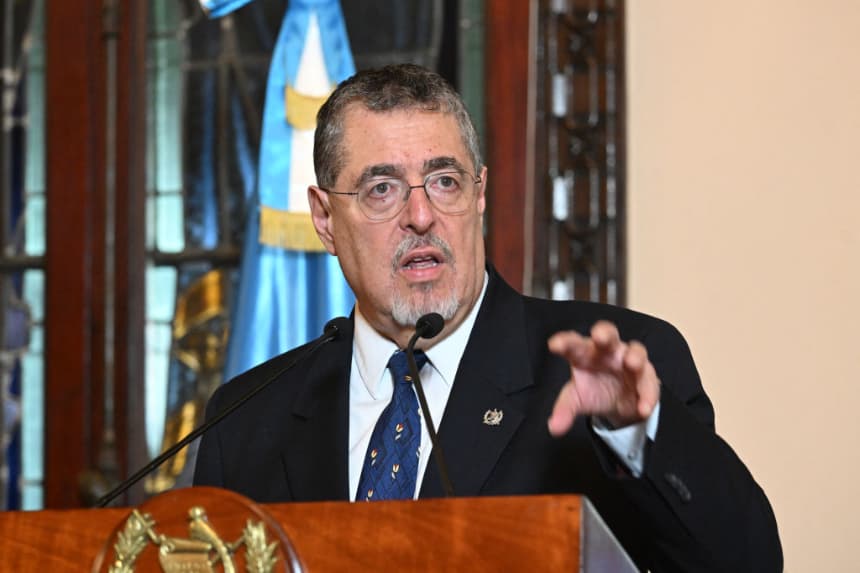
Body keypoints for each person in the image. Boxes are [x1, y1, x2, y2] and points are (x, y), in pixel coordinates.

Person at [194, 64, 782, 571]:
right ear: (324, 218)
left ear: (478, 194)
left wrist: (638, 433)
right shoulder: (246, 419)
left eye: (444, 181)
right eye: (382, 189)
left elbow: (746, 564)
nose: (421, 215)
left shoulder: (612, 372)